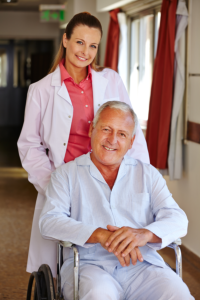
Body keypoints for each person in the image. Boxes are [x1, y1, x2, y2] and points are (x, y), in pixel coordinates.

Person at [17, 12, 149, 277]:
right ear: (65, 40)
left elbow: (130, 130)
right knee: (64, 256)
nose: (85, 51)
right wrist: (53, 185)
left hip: (109, 179)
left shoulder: (110, 80)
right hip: (66, 182)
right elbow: (30, 145)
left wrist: (139, 178)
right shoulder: (41, 90)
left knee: (113, 254)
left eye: (93, 45)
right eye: (79, 42)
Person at [39, 101, 193, 300]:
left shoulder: (147, 174)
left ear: (131, 141)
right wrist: (100, 235)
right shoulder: (66, 175)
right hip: (88, 266)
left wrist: (144, 234)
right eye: (106, 129)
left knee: (178, 294)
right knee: (99, 295)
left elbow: (178, 219)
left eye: (122, 134)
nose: (112, 140)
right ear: (91, 130)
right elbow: (49, 221)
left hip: (142, 265)